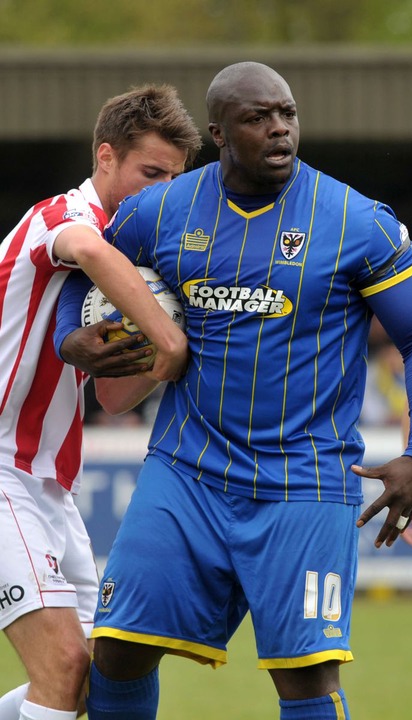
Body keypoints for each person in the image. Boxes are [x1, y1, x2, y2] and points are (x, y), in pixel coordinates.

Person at [55, 61, 412, 720]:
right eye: (256, 118)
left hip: (304, 481)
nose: (278, 130)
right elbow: (79, 272)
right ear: (218, 132)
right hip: (186, 470)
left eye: (287, 114)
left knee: (306, 679)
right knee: (117, 650)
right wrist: (70, 341)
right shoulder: (161, 212)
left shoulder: (358, 221)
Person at [0, 85, 201, 720]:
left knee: (88, 676)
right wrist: (169, 337)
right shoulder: (61, 218)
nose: (160, 191)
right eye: (151, 172)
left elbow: (115, 397)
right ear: (105, 156)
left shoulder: (124, 259)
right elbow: (84, 249)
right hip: (2, 469)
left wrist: (163, 347)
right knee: (61, 666)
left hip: (49, 485)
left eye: (173, 179)